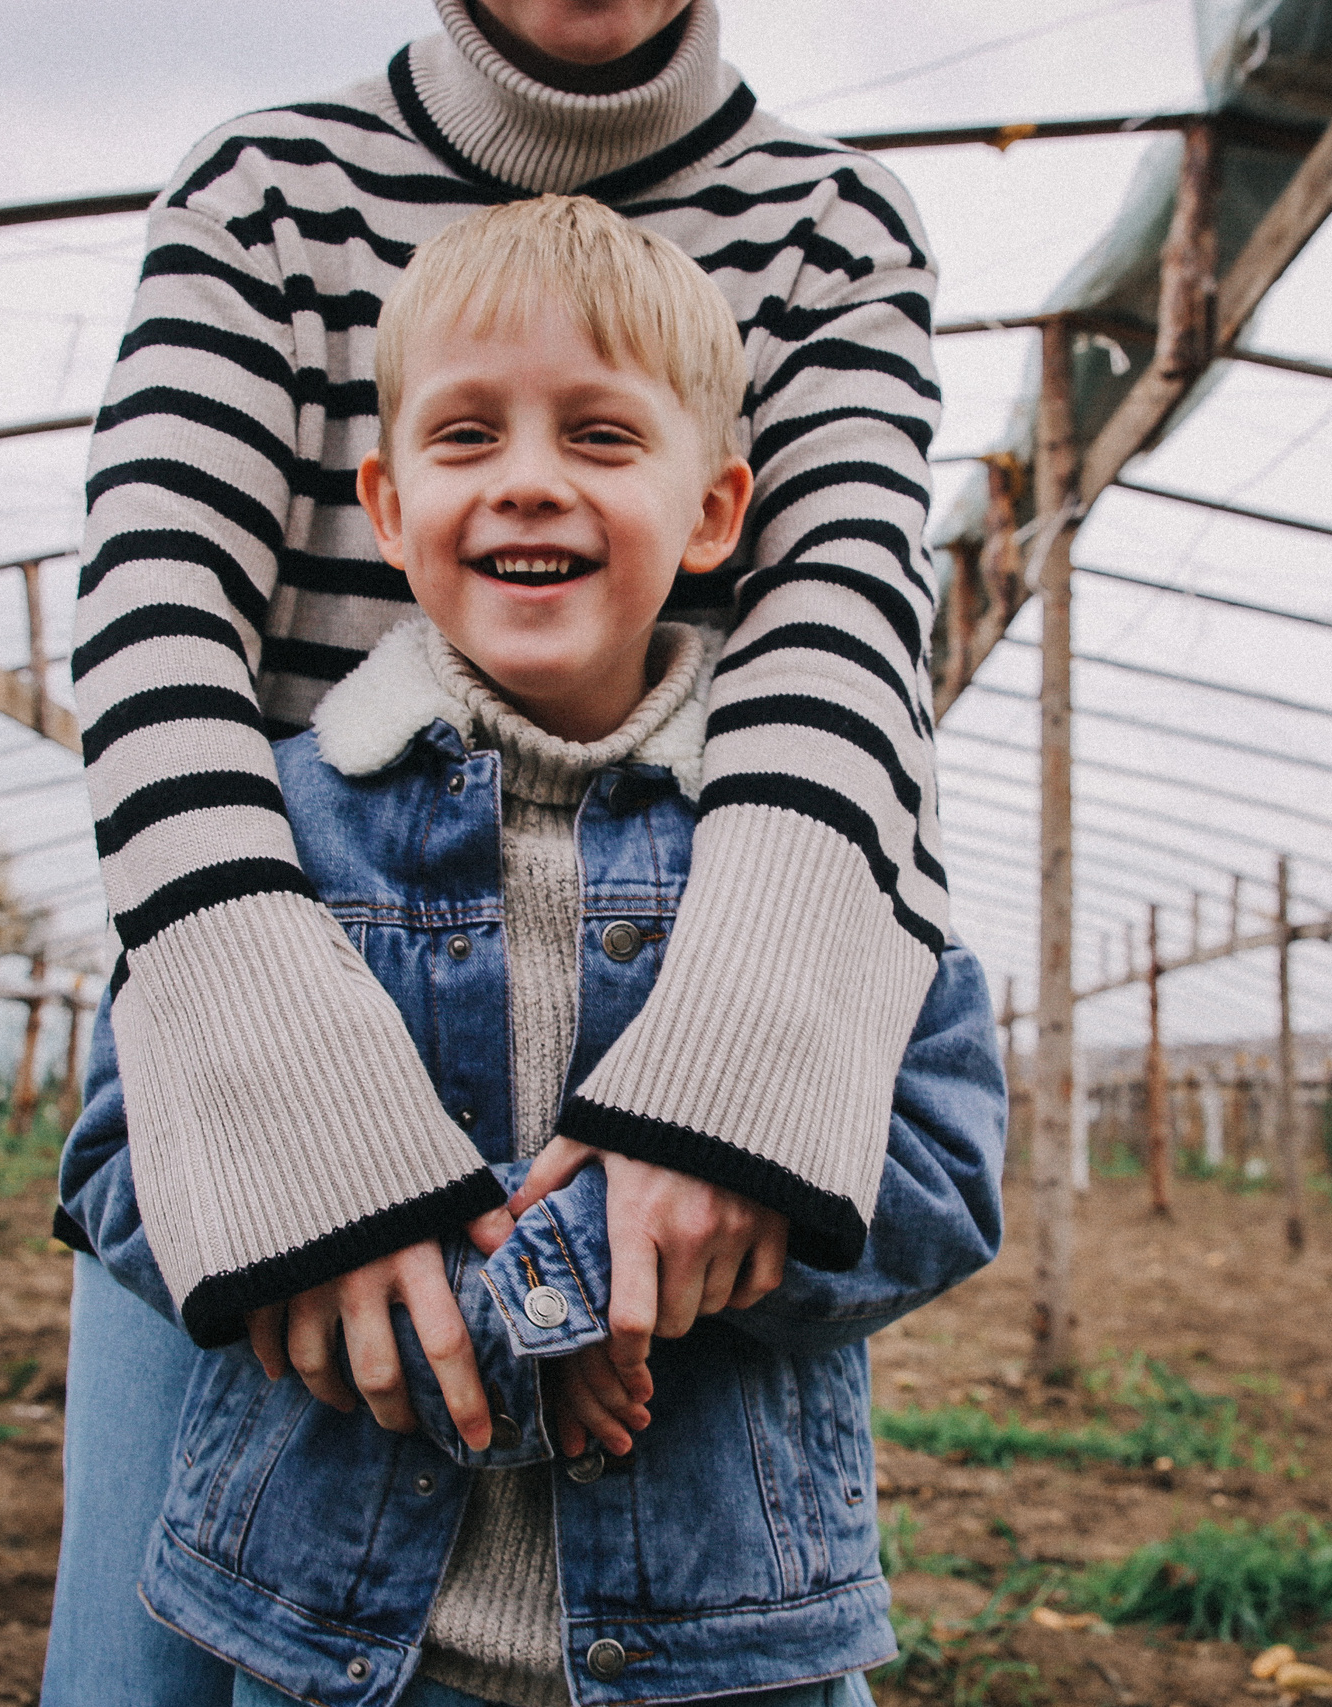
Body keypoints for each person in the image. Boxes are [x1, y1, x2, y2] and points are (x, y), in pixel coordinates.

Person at [56, 195, 1003, 1707]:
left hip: (714, 1648)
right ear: (382, 502)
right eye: (467, 437)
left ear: (716, 513)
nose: (530, 485)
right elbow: (119, 1149)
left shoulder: (807, 867)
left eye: (604, 438)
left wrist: (560, 1291)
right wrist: (315, 1219)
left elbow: (946, 1164)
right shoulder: (276, 829)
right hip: (335, 1645)